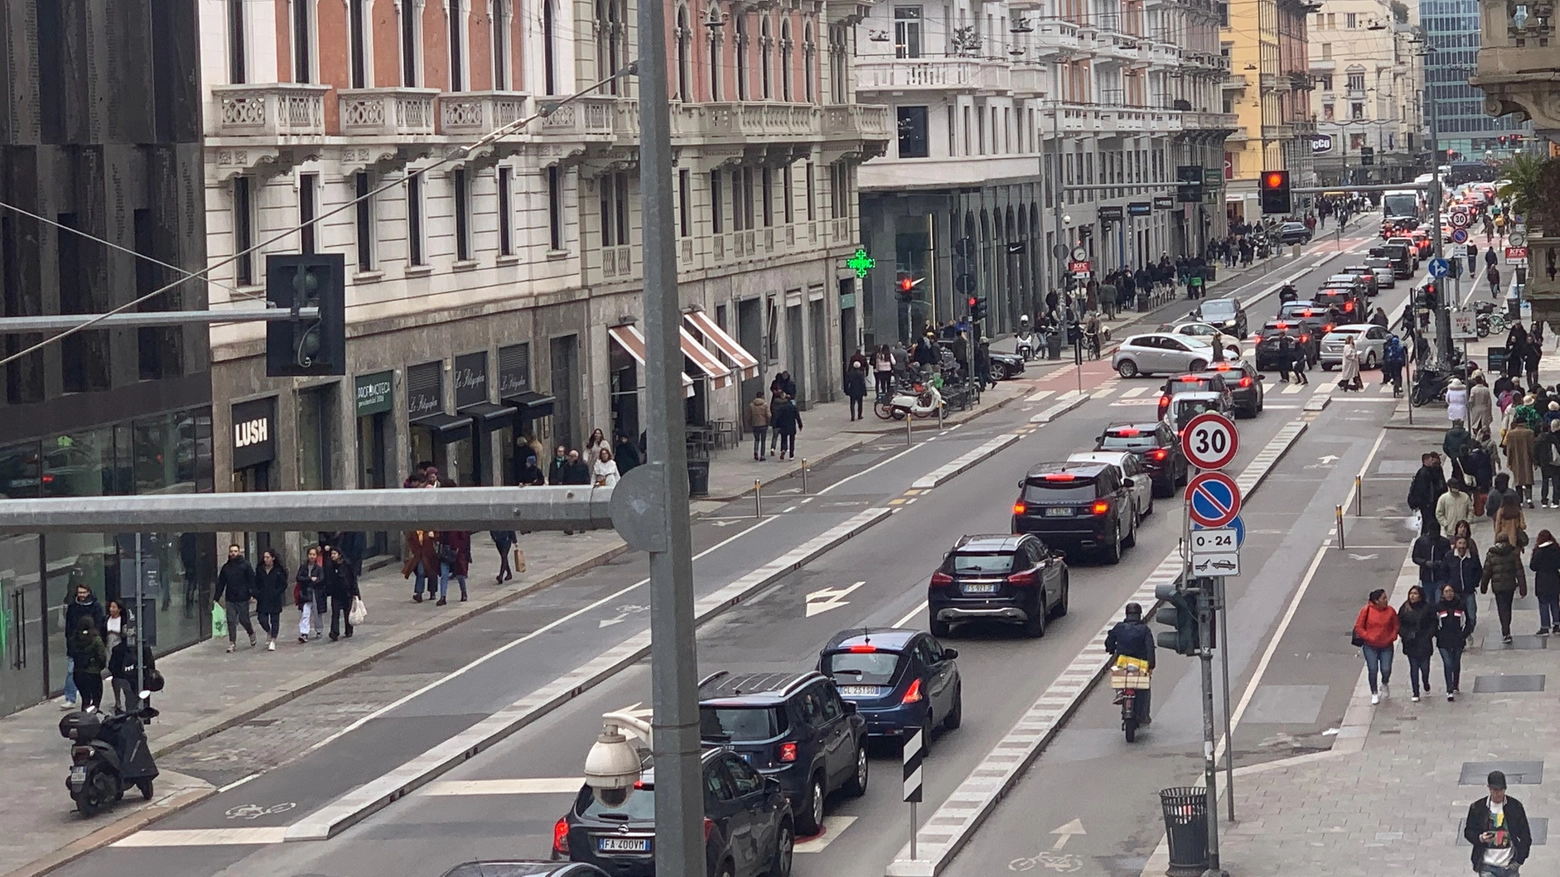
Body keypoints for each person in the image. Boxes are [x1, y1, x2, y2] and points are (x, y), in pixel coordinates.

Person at [1464, 770, 1533, 876]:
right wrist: (1481, 838)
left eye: (1501, 790)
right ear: (1489, 788)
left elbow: (1525, 835)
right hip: (1487, 865)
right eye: (1495, 790)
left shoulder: (1515, 807)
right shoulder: (1478, 808)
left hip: (1509, 866)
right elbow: (1468, 831)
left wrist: (1519, 861)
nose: (1498, 793)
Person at [1104, 602, 1155, 725]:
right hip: (1140, 665)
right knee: (1145, 689)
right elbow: (1150, 648)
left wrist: (1111, 649)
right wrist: (1151, 664)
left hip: (1123, 663)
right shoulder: (1145, 629)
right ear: (1139, 615)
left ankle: (1120, 692)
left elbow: (1109, 642)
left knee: (1116, 674)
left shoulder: (1119, 627)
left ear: (1127, 614)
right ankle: (1144, 715)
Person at [59, 584, 105, 710]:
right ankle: (70, 698)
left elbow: (100, 623)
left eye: (84, 592)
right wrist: (70, 640)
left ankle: (90, 705)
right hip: (75, 646)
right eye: (80, 592)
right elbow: (68, 625)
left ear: (89, 592)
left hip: (90, 649)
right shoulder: (73, 607)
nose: (82, 595)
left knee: (91, 681)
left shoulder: (95, 607)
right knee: (71, 672)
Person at [1481, 530, 1529, 645]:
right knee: (1507, 607)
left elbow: (1486, 572)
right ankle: (1506, 628)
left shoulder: (1491, 554)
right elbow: (1519, 572)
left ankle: (1505, 630)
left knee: (1501, 608)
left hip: (1498, 587)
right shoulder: (1513, 553)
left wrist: (1483, 587)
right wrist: (1523, 588)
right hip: (1510, 586)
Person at [1353, 588, 1399, 705]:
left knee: (1386, 668)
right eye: (1383, 598)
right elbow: (1359, 626)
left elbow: (1396, 625)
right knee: (1373, 669)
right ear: (1376, 601)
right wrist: (1367, 636)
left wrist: (1392, 637)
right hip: (1370, 646)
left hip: (1386, 645)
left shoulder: (1390, 611)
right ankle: (1374, 692)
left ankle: (1385, 683)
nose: (1386, 600)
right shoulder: (1366, 610)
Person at [214, 543, 257, 653]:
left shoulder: (245, 565)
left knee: (244, 619)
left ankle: (251, 632)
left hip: (243, 597)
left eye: (235, 551)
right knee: (231, 621)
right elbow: (221, 583)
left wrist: (253, 594)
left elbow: (252, 580)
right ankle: (232, 643)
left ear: (239, 552)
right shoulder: (226, 567)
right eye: (231, 551)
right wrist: (216, 597)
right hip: (230, 598)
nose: (233, 553)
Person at [1398, 585, 1437, 702]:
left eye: (1415, 593)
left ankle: (1426, 682)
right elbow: (1399, 624)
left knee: (1425, 668)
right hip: (1411, 643)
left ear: (1420, 596)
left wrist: (1429, 634)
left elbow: (1433, 622)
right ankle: (1415, 691)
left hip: (1424, 641)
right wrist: (1405, 634)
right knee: (1413, 668)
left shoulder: (1427, 608)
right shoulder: (1404, 608)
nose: (1412, 596)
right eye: (1411, 593)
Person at [1435, 583, 1471, 699]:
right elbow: (1434, 624)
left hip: (1457, 640)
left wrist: (1463, 635)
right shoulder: (1438, 607)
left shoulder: (1461, 605)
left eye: (1450, 591)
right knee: (1448, 663)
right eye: (1446, 591)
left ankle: (1455, 683)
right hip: (1443, 641)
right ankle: (1449, 688)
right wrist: (1438, 635)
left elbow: (1468, 622)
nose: (1448, 594)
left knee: (1456, 663)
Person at [69, 618, 107, 712]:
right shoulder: (95, 639)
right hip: (93, 672)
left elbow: (71, 653)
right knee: (96, 697)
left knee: (85, 698)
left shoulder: (74, 639)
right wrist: (99, 666)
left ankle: (84, 718)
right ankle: (93, 717)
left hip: (78, 672)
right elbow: (102, 656)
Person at [253, 548, 288, 652]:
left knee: (275, 620)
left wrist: (276, 593)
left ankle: (273, 639)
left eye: (267, 557)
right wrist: (256, 593)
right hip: (263, 598)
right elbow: (256, 583)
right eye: (264, 557)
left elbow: (283, 584)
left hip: (274, 599)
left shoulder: (278, 571)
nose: (265, 559)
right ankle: (268, 631)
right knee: (262, 618)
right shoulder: (260, 570)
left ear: (273, 558)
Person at [1408, 452, 1448, 538]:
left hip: (1432, 501)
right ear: (1425, 461)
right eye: (1430, 460)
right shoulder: (1424, 473)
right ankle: (1426, 537)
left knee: (1430, 521)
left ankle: (1429, 536)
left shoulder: (1432, 470)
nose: (1432, 461)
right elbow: (1422, 490)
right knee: (1428, 521)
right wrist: (1426, 502)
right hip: (1428, 503)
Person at [324, 547, 360, 641]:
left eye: (334, 554)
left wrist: (355, 592)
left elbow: (353, 579)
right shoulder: (329, 566)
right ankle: (334, 632)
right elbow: (328, 579)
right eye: (332, 554)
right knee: (335, 613)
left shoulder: (347, 565)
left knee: (347, 612)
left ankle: (349, 630)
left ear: (339, 555)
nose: (333, 556)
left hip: (347, 592)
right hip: (336, 593)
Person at [1530, 529, 1560, 636]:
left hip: (1542, 580)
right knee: (1555, 603)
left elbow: (1533, 567)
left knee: (1543, 603)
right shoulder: (1556, 549)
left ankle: (1545, 627)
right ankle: (1557, 625)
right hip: (1554, 578)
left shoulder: (1538, 551)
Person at [1504, 417, 1537, 507]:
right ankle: (1529, 498)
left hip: (1516, 460)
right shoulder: (1529, 433)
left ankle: (1520, 500)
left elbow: (1509, 449)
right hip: (1527, 459)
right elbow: (1532, 449)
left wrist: (1509, 462)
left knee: (1518, 480)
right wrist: (1535, 461)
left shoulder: (1510, 434)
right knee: (1528, 479)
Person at [295, 546, 324, 643]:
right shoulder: (303, 567)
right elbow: (298, 578)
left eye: (314, 554)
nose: (312, 556)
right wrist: (309, 579)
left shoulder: (319, 568)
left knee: (317, 613)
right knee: (305, 613)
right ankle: (304, 633)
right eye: (310, 554)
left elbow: (322, 579)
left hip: (316, 593)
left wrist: (315, 581)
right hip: (305, 593)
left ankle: (319, 630)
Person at [437, 528, 471, 605]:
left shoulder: (457, 527)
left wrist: (459, 549)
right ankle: (443, 597)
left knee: (459, 575)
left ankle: (463, 592)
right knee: (444, 575)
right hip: (445, 552)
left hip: (456, 553)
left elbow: (464, 539)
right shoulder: (442, 527)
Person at [1437, 479, 1477, 543]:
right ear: (1449, 487)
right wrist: (1445, 523)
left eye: (1456, 486)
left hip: (1463, 531)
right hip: (1450, 531)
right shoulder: (1443, 498)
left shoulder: (1465, 497)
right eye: (1453, 487)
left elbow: (1470, 510)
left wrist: (1467, 521)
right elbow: (1439, 513)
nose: (1455, 488)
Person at [1412, 527, 1452, 592]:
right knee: (1428, 600)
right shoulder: (1421, 541)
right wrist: (1425, 562)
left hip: (1440, 578)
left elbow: (1448, 558)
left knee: (1439, 600)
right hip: (1426, 578)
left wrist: (1440, 563)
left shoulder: (1444, 542)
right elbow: (1415, 557)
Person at [771, 392, 802, 460]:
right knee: (792, 440)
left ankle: (783, 449)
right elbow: (797, 417)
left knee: (784, 439)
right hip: (791, 426)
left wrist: (777, 425)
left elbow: (779, 417)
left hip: (783, 426)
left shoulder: (782, 408)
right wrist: (800, 425)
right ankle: (791, 455)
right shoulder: (793, 407)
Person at [746, 391, 771, 461]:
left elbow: (749, 416)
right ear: (762, 396)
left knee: (756, 440)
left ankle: (756, 451)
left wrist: (750, 422)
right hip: (763, 424)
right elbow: (768, 415)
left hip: (755, 424)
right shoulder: (765, 405)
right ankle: (762, 455)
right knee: (763, 441)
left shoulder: (751, 405)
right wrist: (768, 422)